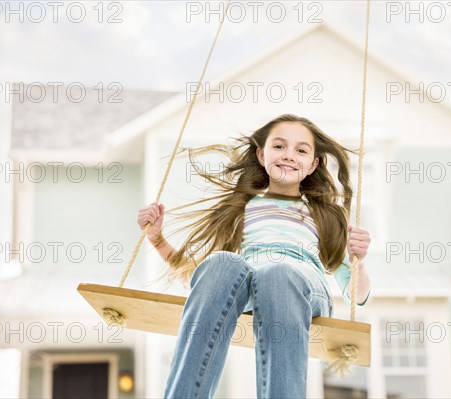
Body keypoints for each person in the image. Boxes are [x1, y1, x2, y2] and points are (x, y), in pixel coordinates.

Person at [137, 114, 372, 398]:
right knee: (222, 262)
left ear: (312, 165)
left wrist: (359, 258)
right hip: (253, 288)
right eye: (279, 146)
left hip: (304, 292)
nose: (289, 156)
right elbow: (202, 284)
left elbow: (355, 295)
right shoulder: (243, 208)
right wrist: (157, 239)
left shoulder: (324, 214)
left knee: (278, 274)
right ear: (261, 155)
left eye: (301, 150)